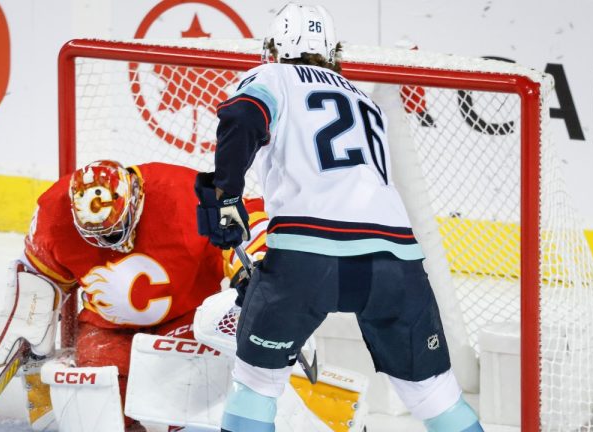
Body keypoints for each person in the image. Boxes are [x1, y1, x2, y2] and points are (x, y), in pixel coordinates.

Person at [194, 3, 484, 432]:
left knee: (256, 384)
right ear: (333, 50)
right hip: (394, 260)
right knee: (433, 393)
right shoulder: (363, 98)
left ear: (274, 47)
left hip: (308, 257)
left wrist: (224, 195)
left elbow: (241, 116)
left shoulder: (272, 77)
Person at [0, 160, 266, 431]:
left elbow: (246, 215)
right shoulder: (55, 212)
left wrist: (253, 261)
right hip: (106, 327)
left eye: (115, 232)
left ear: (136, 200)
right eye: (99, 237)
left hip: (187, 317)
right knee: (98, 396)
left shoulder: (183, 190)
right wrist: (34, 344)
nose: (108, 243)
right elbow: (38, 276)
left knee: (188, 389)